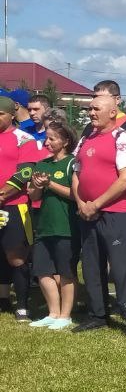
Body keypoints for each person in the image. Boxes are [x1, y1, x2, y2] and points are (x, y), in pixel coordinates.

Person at [72, 93, 126, 334]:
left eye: (96, 109)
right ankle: (97, 314)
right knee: (91, 265)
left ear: (113, 112)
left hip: (116, 213)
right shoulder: (86, 139)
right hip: (87, 212)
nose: (91, 113)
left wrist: (96, 204)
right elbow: (77, 172)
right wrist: (82, 203)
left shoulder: (123, 138)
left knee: (122, 267)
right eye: (90, 109)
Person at [26, 120, 77, 329]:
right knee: (42, 271)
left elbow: (76, 195)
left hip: (66, 226)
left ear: (65, 141)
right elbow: (33, 195)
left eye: (51, 139)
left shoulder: (73, 163)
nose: (46, 142)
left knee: (66, 273)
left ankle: (66, 315)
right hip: (44, 226)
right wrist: (37, 186)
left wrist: (50, 184)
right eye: (46, 138)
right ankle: (53, 313)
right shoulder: (42, 164)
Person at [0, 95, 45, 320]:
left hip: (15, 206)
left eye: (0, 114)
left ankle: (22, 305)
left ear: (11, 115)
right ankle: (3, 298)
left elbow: (25, 172)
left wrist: (2, 194)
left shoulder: (24, 139)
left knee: (16, 256)